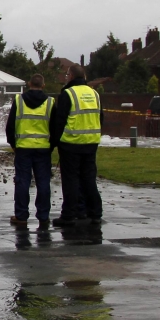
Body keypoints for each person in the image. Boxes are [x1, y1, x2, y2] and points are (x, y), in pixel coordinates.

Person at [49, 65, 103, 226]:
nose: (66, 77)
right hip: (91, 143)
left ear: (71, 75)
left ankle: (68, 215)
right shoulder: (95, 93)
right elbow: (101, 118)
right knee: (89, 179)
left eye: (67, 75)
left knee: (71, 180)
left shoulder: (68, 94)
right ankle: (94, 213)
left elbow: (60, 121)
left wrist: (53, 143)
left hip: (71, 143)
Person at [5, 73, 53, 230]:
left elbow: (10, 126)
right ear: (43, 86)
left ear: (28, 84)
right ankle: (43, 216)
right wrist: (51, 144)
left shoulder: (19, 101)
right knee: (43, 182)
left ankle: (21, 216)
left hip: (23, 148)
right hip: (43, 148)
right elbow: (56, 126)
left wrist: (13, 144)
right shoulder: (50, 102)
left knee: (22, 182)